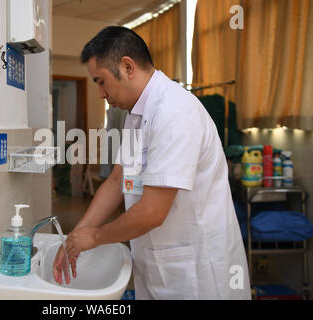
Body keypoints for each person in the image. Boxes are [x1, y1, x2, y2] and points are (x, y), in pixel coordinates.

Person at [53, 26, 251, 300]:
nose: (100, 93)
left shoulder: (174, 112)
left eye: (100, 81)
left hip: (197, 273)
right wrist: (75, 237)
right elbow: (116, 180)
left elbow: (152, 212)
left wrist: (95, 237)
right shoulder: (137, 114)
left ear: (127, 67)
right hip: (161, 265)